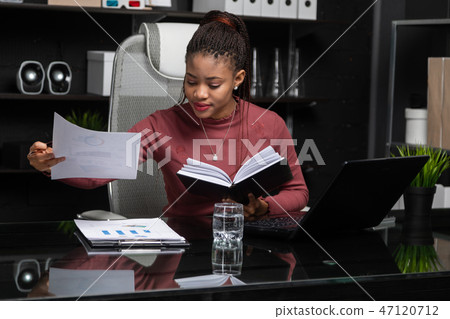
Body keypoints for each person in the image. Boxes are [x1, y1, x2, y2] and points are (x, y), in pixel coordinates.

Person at [28, 10, 308, 221]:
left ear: (237, 79)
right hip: (185, 245)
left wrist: (265, 207)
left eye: (213, 84)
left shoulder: (270, 123)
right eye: (190, 81)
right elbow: (98, 170)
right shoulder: (160, 124)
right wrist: (52, 164)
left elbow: (298, 192)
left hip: (249, 242)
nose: (198, 93)